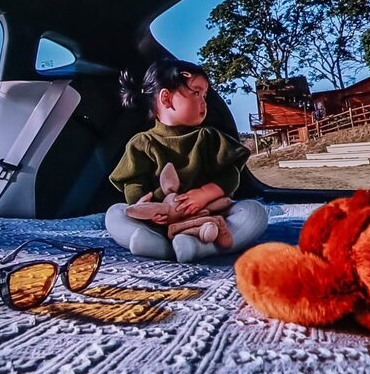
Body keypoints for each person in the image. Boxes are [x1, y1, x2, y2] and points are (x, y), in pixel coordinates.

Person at [104, 56, 269, 262]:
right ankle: (158, 244)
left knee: (255, 212)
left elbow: (230, 174)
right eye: (196, 93)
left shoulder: (209, 137)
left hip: (209, 216)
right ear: (166, 98)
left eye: (205, 95)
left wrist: (205, 194)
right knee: (115, 214)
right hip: (159, 221)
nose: (204, 101)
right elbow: (133, 182)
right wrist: (145, 207)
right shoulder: (142, 143)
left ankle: (195, 247)